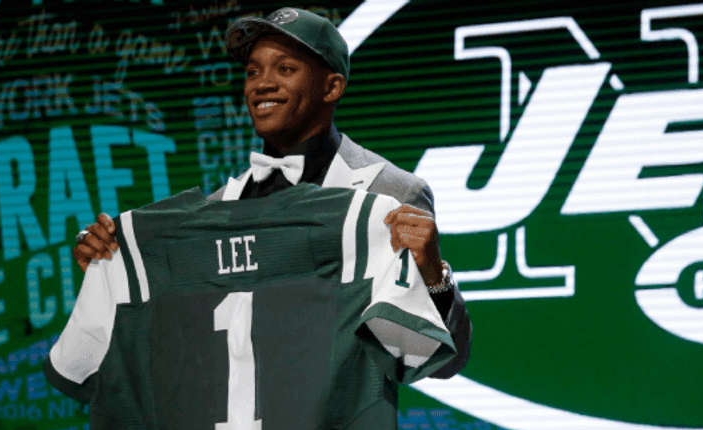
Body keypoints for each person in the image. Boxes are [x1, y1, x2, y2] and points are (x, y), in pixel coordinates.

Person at [73, 6, 471, 379]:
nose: (262, 84)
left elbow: (442, 363)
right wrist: (107, 269)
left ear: (331, 87)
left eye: (285, 69)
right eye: (252, 72)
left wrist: (434, 276)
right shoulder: (215, 210)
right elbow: (174, 340)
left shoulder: (391, 191)